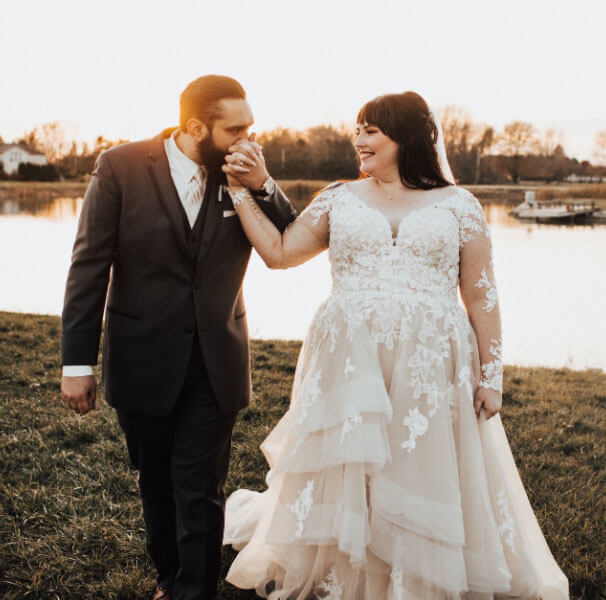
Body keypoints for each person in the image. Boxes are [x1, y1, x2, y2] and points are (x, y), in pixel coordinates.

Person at [220, 92, 569, 599]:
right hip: (349, 354)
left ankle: (415, 569)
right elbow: (279, 253)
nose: (358, 141)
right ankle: (348, 566)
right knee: (353, 461)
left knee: (418, 459)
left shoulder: (460, 207)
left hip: (432, 362)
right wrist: (240, 193)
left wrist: (492, 377)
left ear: (405, 137)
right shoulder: (339, 197)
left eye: (370, 131)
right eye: (357, 130)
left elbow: (482, 297)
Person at [60, 75, 296, 600]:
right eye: (235, 129)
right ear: (195, 128)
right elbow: (89, 264)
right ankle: (170, 578)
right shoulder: (120, 167)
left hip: (217, 358)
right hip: (142, 355)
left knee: (200, 488)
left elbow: (291, 236)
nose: (247, 138)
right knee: (157, 483)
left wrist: (262, 184)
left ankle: (195, 591)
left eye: (250, 127)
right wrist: (78, 363)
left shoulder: (242, 172)